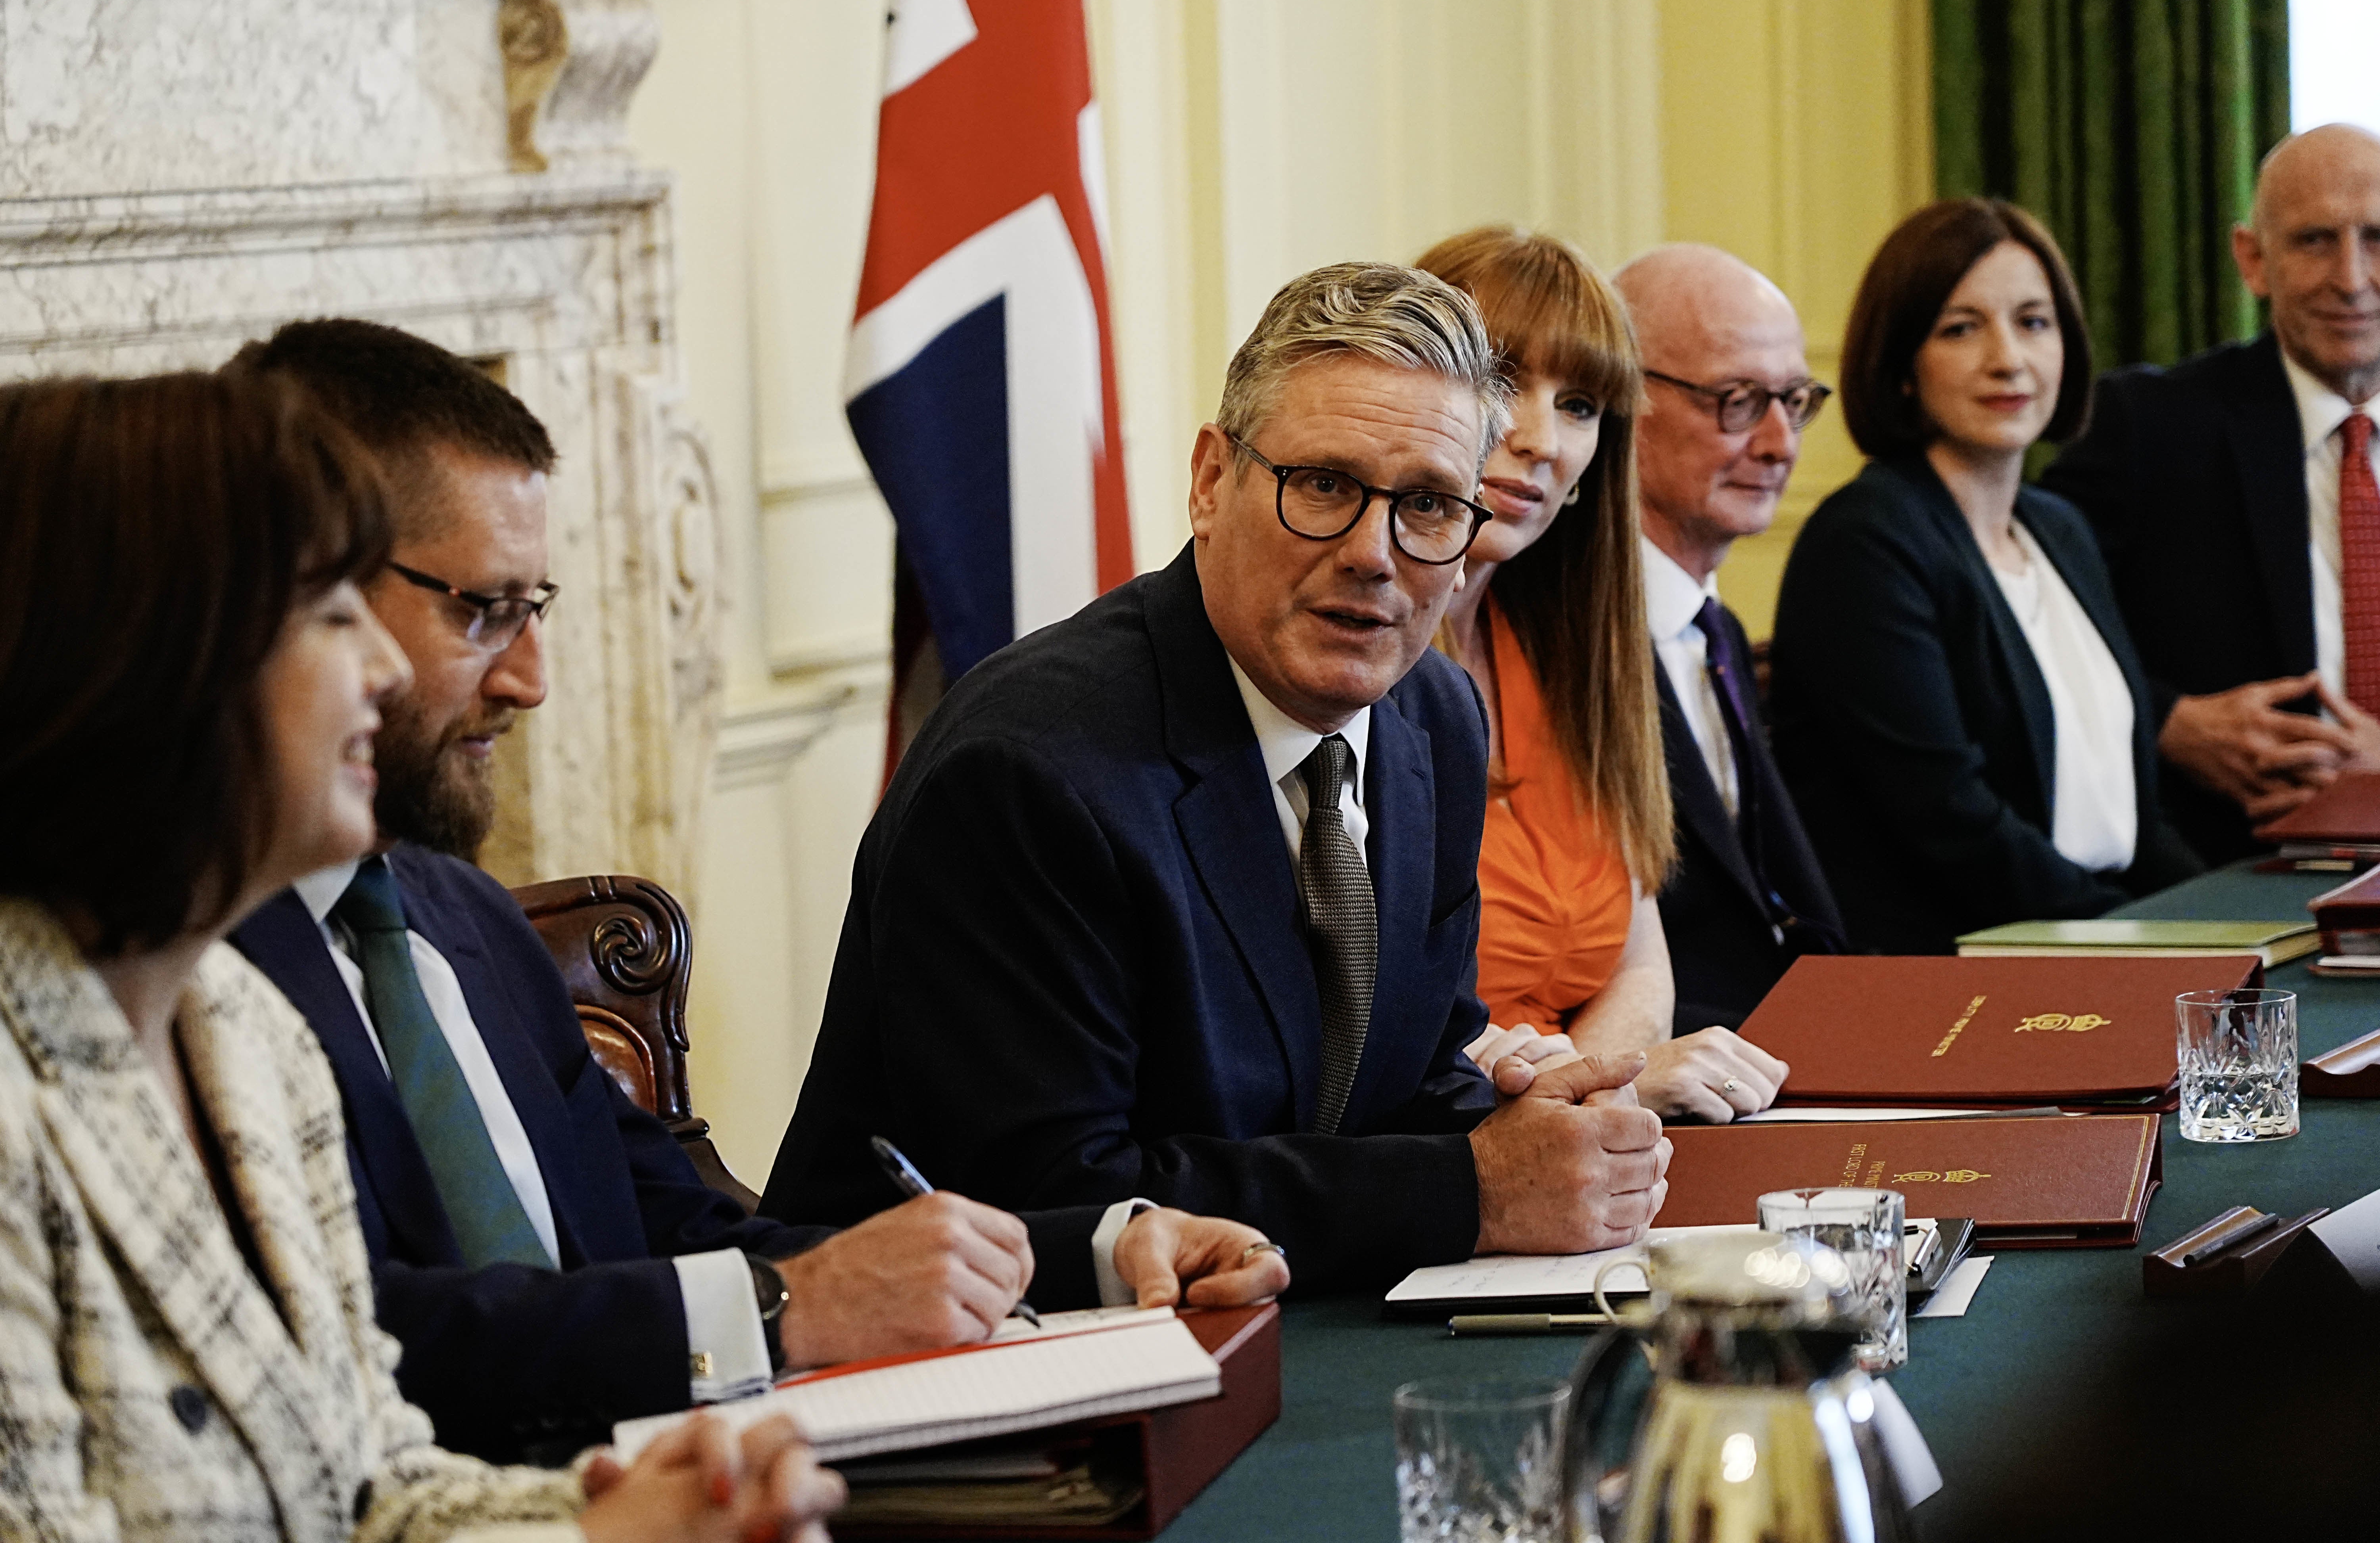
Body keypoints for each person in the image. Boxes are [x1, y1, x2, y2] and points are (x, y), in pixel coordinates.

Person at [223, 320, 1288, 1464]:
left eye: (538, 610)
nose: (531, 680)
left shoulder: (464, 920)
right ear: (293, 594)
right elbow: (359, 1343)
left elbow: (689, 1226)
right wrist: (787, 1312)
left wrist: (1093, 1251)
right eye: (484, 613)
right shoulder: (188, 972)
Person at [0, 370, 837, 1543]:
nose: (385, 671)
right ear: (152, 655)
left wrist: (639, 1518)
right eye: (330, 614)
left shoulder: (245, 1039)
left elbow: (379, 1483)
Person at [762, 263, 1674, 1289]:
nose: (1375, 553)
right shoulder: (1028, 772)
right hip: (971, 1373)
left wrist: (1537, 1125)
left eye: (1426, 505)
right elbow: (1056, 1200)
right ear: (1210, 481)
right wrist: (1471, 1192)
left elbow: (1412, 1083)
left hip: (1279, 1323)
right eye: (1325, 486)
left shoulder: (1435, 721)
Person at [1414, 227, 1789, 1124]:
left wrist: (1595, 1076)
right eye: (1503, 380)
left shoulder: (1571, 652)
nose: (1542, 438)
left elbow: (1639, 961)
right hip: (1437, 1150)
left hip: (1594, 1137)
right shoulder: (1350, 661)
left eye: (1580, 404)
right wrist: (1581, 1089)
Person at [1769, 199, 2200, 952]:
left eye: (2034, 323)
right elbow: (1949, 821)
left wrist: (2221, 918)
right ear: (1903, 365)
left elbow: (2136, 809)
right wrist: (2144, 936)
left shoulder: (2059, 528)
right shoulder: (1866, 540)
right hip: (1953, 971)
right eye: (1962, 329)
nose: (2009, 359)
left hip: (2092, 936)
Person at [2044, 123, 2380, 863]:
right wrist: (2164, 720)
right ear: (2253, 260)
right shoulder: (2148, 428)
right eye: (2315, 242)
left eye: (2378, 238)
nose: (2352, 278)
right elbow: (2025, 620)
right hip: (2226, 871)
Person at [1613, 244, 1850, 1031]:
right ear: (1621, 401)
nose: (1783, 443)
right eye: (1740, 400)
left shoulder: (1718, 630)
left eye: (1796, 400)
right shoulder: (1565, 648)